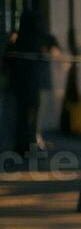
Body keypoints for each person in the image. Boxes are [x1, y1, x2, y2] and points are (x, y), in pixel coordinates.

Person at [3, 10, 60, 161]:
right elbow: (55, 51)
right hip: (33, 83)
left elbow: (6, 63)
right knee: (32, 114)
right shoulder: (41, 37)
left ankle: (23, 144)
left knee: (22, 115)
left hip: (19, 83)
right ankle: (30, 144)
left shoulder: (18, 39)